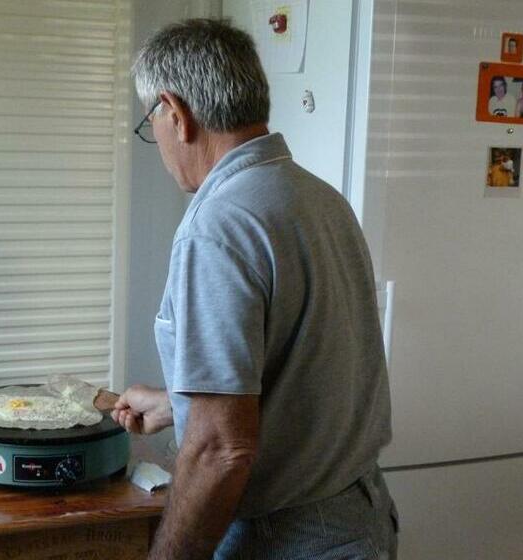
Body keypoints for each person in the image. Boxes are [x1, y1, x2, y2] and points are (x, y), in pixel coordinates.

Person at [112, 19, 397, 560]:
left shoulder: (217, 227)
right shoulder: (319, 198)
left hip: (287, 538)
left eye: (152, 122)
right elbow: (304, 370)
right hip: (360, 517)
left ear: (175, 113)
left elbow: (220, 450)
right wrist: (178, 404)